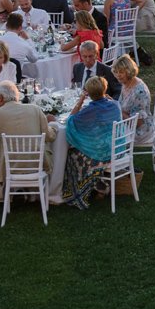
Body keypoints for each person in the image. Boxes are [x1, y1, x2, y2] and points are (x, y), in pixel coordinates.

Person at [62, 76, 120, 209]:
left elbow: (70, 121)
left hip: (101, 154)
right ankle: (99, 184)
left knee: (72, 155)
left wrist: (80, 101)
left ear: (88, 92)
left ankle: (80, 191)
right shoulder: (114, 105)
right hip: (115, 148)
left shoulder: (90, 111)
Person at [0, 80, 57, 174]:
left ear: (1, 98)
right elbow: (50, 136)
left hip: (9, 167)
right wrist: (53, 126)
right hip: (38, 165)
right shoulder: (35, 109)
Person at [111, 54, 155, 145]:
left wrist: (119, 111)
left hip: (140, 132)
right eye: (116, 72)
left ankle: (114, 157)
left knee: (105, 135)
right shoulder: (126, 83)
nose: (118, 75)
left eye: (121, 72)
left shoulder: (139, 92)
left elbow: (137, 123)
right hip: (127, 124)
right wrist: (111, 102)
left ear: (128, 71)